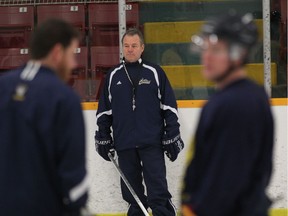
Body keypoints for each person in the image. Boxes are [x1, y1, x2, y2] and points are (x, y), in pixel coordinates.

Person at [182, 12, 274, 216]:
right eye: (206, 48)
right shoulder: (249, 95)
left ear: (238, 54)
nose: (206, 56)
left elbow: (226, 181)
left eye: (216, 50)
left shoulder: (234, 104)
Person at [0, 19, 88, 216]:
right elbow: (74, 184)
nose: (74, 64)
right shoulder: (64, 99)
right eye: (72, 54)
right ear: (57, 52)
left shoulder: (2, 87)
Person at [95, 28, 184, 216]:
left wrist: (172, 132)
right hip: (124, 143)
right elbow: (104, 111)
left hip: (152, 142)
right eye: (126, 46)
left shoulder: (155, 72)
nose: (130, 49)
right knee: (132, 196)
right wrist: (103, 135)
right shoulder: (113, 76)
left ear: (142, 47)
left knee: (158, 192)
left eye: (134, 45)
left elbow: (169, 106)